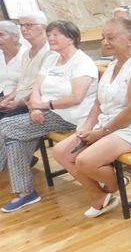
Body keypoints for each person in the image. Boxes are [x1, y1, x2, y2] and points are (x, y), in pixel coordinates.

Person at [52, 17, 131, 217]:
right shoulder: (112, 65)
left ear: (130, 40)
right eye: (103, 37)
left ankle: (116, 185)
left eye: (111, 37)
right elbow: (98, 102)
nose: (105, 42)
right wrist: (87, 126)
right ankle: (98, 194)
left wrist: (101, 133)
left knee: (85, 161)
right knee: (61, 152)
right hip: (111, 125)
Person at [0, 21, 97, 212]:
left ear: (70, 39)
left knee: (6, 127)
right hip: (46, 111)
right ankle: (26, 193)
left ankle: (25, 191)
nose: (50, 38)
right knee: (15, 137)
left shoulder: (82, 62)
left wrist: (43, 105)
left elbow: (76, 98)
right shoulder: (52, 58)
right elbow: (37, 87)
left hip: (70, 116)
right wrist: (34, 108)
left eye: (56, 35)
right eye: (49, 34)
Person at [0, 11, 52, 120]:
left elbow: (44, 86)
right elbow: (22, 84)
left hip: (37, 105)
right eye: (21, 25)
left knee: (3, 125)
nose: (23, 29)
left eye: (29, 25)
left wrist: (19, 102)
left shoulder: (50, 52)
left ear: (44, 27)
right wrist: (7, 100)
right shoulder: (26, 53)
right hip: (20, 101)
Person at [0, 21, 27, 100]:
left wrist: (5, 99)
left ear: (15, 37)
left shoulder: (27, 56)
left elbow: (28, 86)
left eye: (1, 35)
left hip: (17, 100)